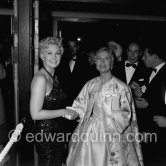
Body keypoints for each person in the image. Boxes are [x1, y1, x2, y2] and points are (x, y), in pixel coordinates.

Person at [66, 47, 143, 166]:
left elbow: (125, 116)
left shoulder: (122, 87)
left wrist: (113, 105)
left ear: (112, 62)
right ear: (95, 62)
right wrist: (72, 112)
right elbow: (81, 104)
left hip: (114, 131)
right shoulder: (90, 84)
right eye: (99, 59)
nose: (102, 62)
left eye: (106, 58)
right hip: (91, 130)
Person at [30, 37, 78, 166]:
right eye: (49, 53)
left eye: (57, 53)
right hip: (46, 136)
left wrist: (69, 111)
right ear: (41, 55)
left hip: (57, 133)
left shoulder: (53, 77)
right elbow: (35, 114)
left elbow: (53, 104)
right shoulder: (41, 79)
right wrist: (64, 111)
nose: (54, 57)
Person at [135, 41, 166, 165]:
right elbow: (156, 97)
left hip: (160, 130)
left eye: (145, 55)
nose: (142, 58)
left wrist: (149, 105)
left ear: (155, 57)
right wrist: (140, 94)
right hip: (148, 128)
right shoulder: (150, 71)